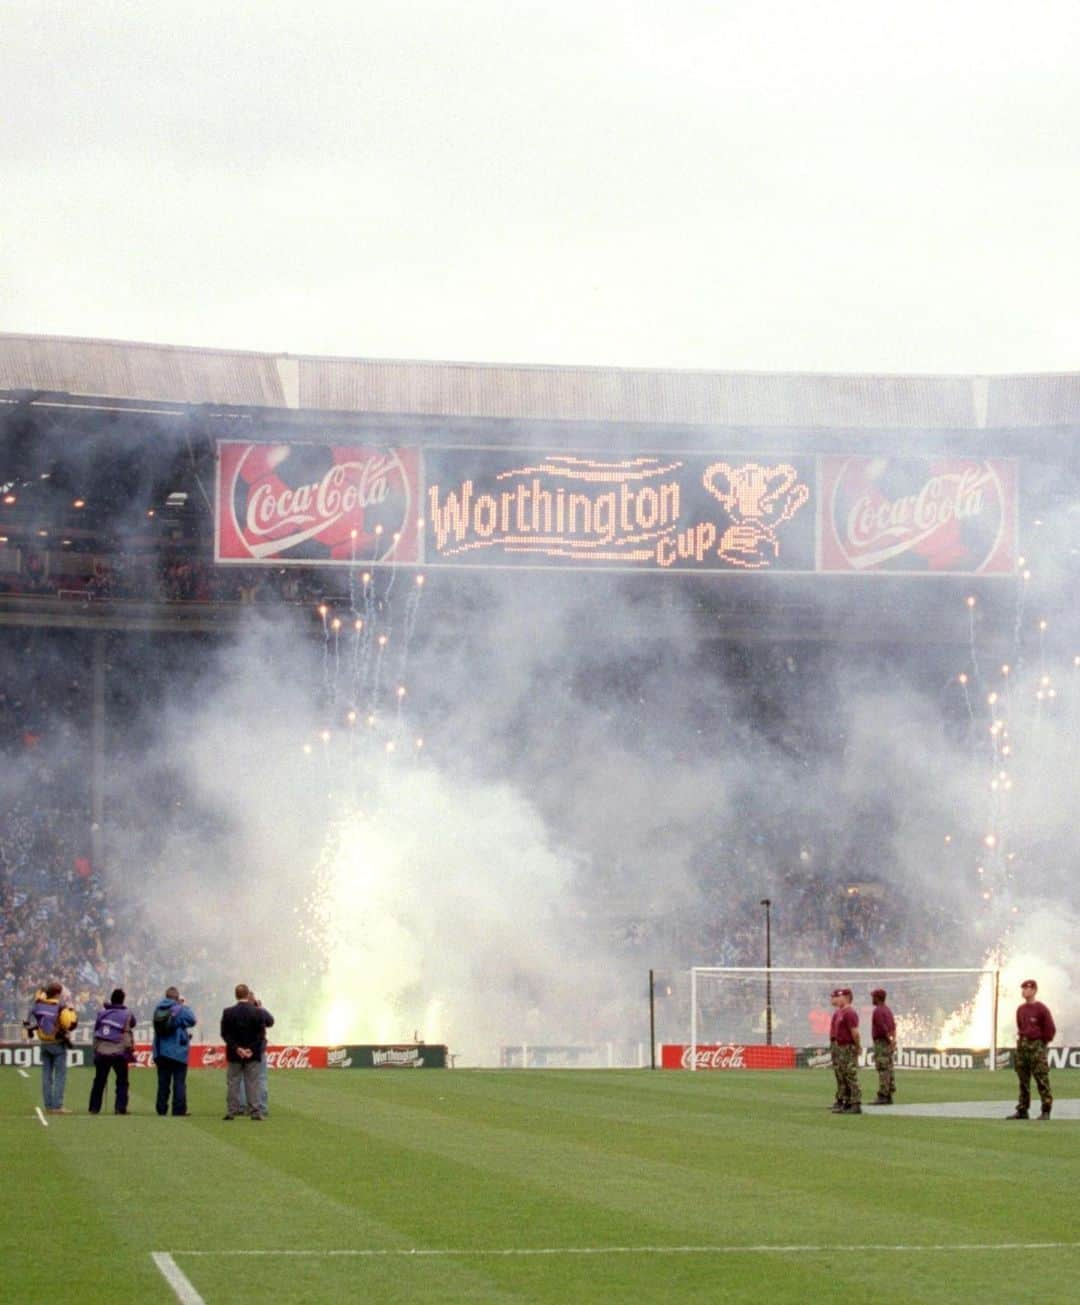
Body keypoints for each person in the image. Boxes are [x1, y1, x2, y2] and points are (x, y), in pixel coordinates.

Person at [221, 983, 274, 1121]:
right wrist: (250, 1049)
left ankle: (232, 1111)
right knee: (253, 1082)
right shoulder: (257, 1011)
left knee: (233, 1082)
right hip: (253, 1053)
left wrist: (237, 1048)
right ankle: (255, 1111)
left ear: (236, 995)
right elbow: (261, 1034)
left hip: (234, 1053)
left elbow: (225, 1034)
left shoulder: (228, 1012)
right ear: (247, 995)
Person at [25, 981, 79, 1114]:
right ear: (57, 993)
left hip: (44, 1043)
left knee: (46, 1075)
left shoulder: (39, 1005)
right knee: (60, 1076)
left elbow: (31, 1017)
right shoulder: (60, 1007)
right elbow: (70, 1024)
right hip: (58, 1043)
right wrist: (71, 1010)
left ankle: (48, 1106)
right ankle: (57, 1106)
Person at [1007, 979, 1055, 1120]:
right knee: (1023, 1080)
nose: (1024, 991)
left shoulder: (1041, 1009)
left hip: (1036, 1047)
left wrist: (1041, 1043)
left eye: (1027, 988)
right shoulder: (1021, 1009)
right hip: (1023, 1047)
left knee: (1041, 1079)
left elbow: (1049, 1029)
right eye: (1023, 988)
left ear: (1034, 990)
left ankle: (1046, 1110)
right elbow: (1020, 1026)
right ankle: (1023, 1110)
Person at [88, 988, 136, 1115]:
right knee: (122, 1081)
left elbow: (96, 1029)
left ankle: (94, 1108)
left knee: (99, 1080)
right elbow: (133, 1023)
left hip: (102, 1050)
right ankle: (120, 1108)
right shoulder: (127, 1013)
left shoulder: (102, 1013)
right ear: (123, 1000)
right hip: (119, 1051)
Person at [152, 986, 197, 1117]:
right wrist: (183, 1006)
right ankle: (178, 1110)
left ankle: (161, 1109)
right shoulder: (180, 1009)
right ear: (177, 998)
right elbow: (193, 1020)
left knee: (163, 1082)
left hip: (161, 1050)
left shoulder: (158, 1008)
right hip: (178, 1051)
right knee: (179, 1082)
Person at [236, 991, 274, 1119]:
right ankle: (261, 1107)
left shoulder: (235, 1011)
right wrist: (260, 1008)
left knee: (242, 1078)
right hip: (257, 1049)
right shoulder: (259, 1012)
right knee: (260, 1079)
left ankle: (242, 1106)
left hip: (241, 1050)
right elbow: (270, 1021)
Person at [829, 987, 862, 1114]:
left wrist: (858, 1046)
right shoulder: (842, 1012)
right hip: (842, 1046)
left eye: (839, 996)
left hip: (848, 1047)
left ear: (846, 997)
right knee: (844, 1074)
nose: (837, 999)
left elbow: (855, 1032)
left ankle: (856, 1103)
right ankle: (848, 1101)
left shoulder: (849, 1013)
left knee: (850, 1074)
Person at [867, 988, 897, 1106]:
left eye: (873, 997)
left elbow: (881, 1027)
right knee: (888, 1067)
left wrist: (888, 1040)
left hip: (882, 1042)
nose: (872, 999)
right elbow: (893, 1027)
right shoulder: (888, 1010)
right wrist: (893, 1041)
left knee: (882, 1067)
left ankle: (883, 1095)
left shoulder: (878, 1011)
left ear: (877, 998)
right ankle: (889, 1093)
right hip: (887, 1042)